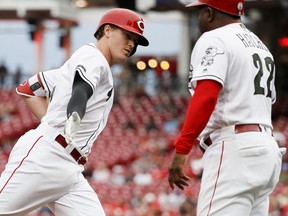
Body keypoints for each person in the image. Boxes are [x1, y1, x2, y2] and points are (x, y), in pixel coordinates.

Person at [0, 8, 149, 216]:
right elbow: (82, 89)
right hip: (45, 158)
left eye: (136, 41)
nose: (132, 44)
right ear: (107, 30)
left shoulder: (72, 67)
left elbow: (27, 88)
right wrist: (73, 115)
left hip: (69, 169)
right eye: (128, 36)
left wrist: (52, 121)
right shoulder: (93, 57)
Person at [168, 0, 286, 215]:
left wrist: (182, 150)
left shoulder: (214, 37)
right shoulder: (260, 45)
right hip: (266, 149)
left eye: (200, 13)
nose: (199, 19)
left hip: (234, 150)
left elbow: (206, 95)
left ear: (209, 13)